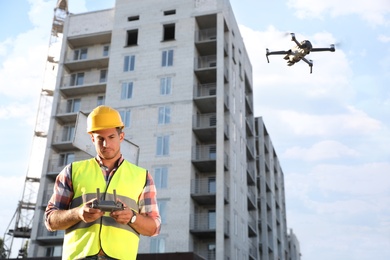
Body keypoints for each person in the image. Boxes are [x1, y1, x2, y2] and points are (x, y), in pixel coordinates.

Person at [45, 105, 161, 260]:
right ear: (92, 139)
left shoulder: (142, 176)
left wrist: (132, 217)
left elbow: (154, 227)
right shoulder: (72, 171)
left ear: (121, 136)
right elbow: (51, 220)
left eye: (111, 137)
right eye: (100, 139)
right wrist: (78, 213)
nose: (106, 145)